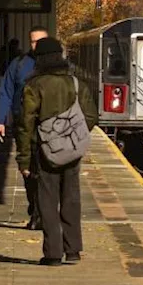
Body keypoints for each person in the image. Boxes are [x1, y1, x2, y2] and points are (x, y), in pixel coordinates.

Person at [16, 37, 97, 266]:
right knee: (71, 198)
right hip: (72, 151)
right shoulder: (75, 83)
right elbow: (90, 116)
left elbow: (25, 124)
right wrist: (72, 136)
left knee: (47, 200)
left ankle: (53, 253)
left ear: (39, 60)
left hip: (44, 152)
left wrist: (24, 159)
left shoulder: (34, 85)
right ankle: (73, 250)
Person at [0, 27, 48, 229]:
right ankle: (34, 208)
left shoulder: (57, 67)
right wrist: (0, 120)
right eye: (33, 41)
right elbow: (5, 92)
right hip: (24, 127)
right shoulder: (18, 65)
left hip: (49, 127)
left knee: (46, 171)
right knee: (27, 169)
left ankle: (43, 212)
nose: (36, 45)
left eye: (40, 41)